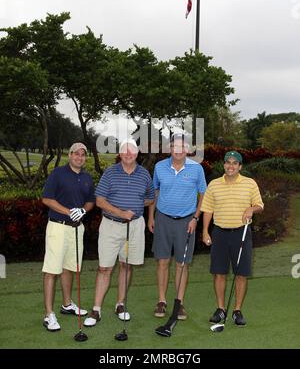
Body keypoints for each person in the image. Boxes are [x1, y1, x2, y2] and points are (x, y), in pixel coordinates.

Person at [84, 139, 155, 327]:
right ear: (120, 154)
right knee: (104, 268)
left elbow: (150, 198)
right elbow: (99, 200)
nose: (128, 154)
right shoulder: (110, 173)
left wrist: (140, 208)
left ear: (137, 154)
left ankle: (120, 304)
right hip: (111, 226)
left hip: (135, 226)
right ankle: (96, 309)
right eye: (125, 152)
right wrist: (121, 212)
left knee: (126, 266)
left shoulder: (144, 174)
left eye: (132, 151)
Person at [201, 150, 264, 326]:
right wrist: (205, 231)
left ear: (240, 166)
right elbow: (208, 209)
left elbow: (259, 205)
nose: (231, 166)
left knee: (241, 274)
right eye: (228, 162)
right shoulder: (213, 184)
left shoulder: (250, 184)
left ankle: (237, 310)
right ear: (224, 165)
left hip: (241, 233)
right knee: (219, 272)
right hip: (220, 233)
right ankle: (221, 309)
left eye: (234, 163)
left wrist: (252, 209)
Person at [148, 134, 207, 320]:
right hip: (163, 219)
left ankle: (179, 302)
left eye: (182, 146)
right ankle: (162, 301)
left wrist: (196, 218)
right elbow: (154, 192)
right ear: (170, 148)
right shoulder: (159, 167)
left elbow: (203, 195)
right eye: (175, 146)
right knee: (163, 261)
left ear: (188, 149)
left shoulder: (197, 169)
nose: (179, 150)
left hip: (187, 221)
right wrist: (151, 216)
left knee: (182, 263)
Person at [41, 142, 95, 332]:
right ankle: (48, 314)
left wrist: (82, 210)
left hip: (76, 229)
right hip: (58, 228)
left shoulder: (87, 177)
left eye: (83, 155)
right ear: (69, 155)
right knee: (52, 270)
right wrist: (68, 211)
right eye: (76, 154)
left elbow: (90, 201)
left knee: (69, 268)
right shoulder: (58, 174)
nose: (79, 157)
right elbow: (46, 198)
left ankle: (66, 304)